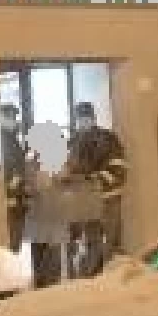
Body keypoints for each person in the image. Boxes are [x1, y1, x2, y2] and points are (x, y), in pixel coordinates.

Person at [64, 102, 127, 276]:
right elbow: (69, 169)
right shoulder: (74, 141)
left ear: (91, 118)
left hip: (107, 199)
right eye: (80, 118)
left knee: (110, 241)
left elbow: (118, 169)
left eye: (84, 118)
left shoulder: (108, 139)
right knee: (93, 240)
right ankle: (93, 277)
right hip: (87, 201)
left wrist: (92, 180)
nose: (82, 122)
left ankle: (111, 277)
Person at [0, 102, 31, 252]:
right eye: (9, 116)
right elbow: (10, 170)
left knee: (14, 243)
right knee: (11, 243)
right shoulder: (2, 141)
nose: (13, 119)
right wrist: (16, 182)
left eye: (13, 116)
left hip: (17, 200)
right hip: (10, 200)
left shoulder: (13, 139)